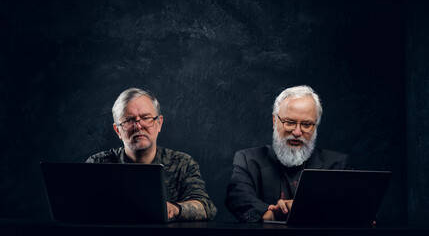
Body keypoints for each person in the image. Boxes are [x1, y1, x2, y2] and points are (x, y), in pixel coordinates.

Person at [86, 88, 217, 221]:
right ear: (117, 130)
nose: (138, 126)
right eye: (129, 120)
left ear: (159, 123)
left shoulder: (182, 164)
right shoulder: (98, 164)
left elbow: (206, 207)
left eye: (146, 118)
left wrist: (174, 209)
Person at [225, 85, 351, 222]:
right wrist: (272, 214)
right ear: (274, 121)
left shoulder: (338, 165)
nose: (297, 132)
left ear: (316, 126)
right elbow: (238, 198)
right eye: (290, 123)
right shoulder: (248, 160)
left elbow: (358, 208)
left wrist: (298, 210)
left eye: (306, 124)